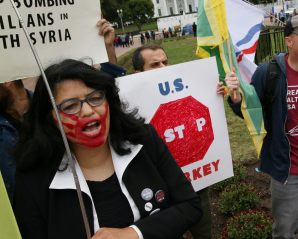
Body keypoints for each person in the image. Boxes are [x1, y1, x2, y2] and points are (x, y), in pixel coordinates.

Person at [14, 59, 202, 239]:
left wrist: (134, 233)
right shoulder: (33, 179)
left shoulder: (143, 139)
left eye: (95, 98)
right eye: (70, 106)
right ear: (49, 119)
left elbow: (190, 206)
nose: (87, 111)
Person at [225, 14, 298, 239]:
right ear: (289, 41)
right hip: (287, 168)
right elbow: (250, 111)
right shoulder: (268, 73)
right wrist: (236, 98)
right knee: (284, 229)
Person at [0, 19, 123, 206]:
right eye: (70, 106)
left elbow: (105, 94)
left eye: (71, 106)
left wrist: (108, 50)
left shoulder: (49, 108)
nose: (87, 111)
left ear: (6, 81)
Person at [132, 44, 222, 239]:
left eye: (165, 62)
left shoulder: (184, 88)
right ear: (138, 73)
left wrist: (213, 91)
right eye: (155, 64)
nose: (164, 68)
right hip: (159, 193)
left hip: (195, 186)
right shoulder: (130, 104)